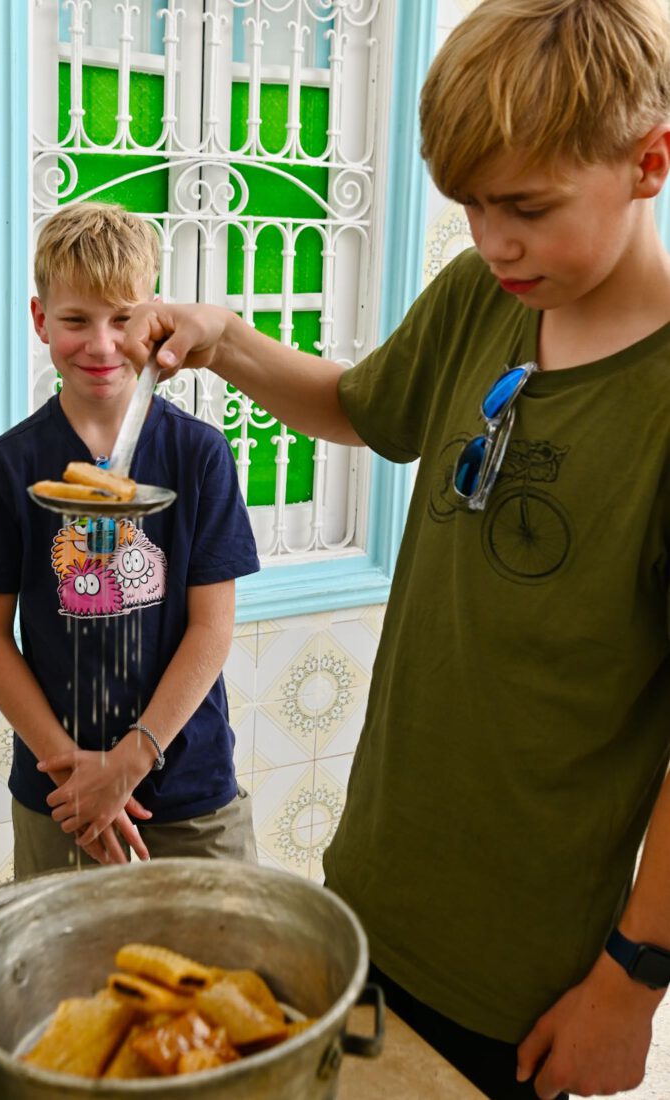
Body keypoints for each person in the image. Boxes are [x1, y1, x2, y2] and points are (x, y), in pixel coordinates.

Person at [116, 1, 670, 1097]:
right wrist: (225, 340)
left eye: (526, 207)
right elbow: (361, 406)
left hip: (523, 967)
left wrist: (631, 980)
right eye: (470, 204)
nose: (493, 240)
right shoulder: (483, 297)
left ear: (649, 162)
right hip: (372, 890)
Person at [0, 202, 260, 876]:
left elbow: (211, 627)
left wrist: (129, 762)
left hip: (190, 789)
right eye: (75, 321)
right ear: (40, 321)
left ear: (155, 321)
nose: (101, 345)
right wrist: (76, 777)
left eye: (122, 319)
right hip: (60, 799)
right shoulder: (10, 466)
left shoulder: (199, 455)